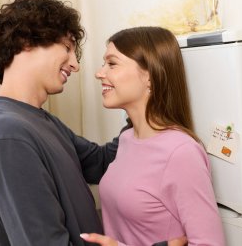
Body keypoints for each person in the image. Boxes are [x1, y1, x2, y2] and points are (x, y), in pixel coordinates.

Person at [0, 0, 118, 246]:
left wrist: (140, 110)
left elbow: (100, 163)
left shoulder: (38, 120)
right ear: (26, 41)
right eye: (67, 48)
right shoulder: (7, 136)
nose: (75, 64)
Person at [80, 27, 226, 246]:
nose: (99, 73)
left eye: (112, 64)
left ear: (149, 76)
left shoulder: (181, 152)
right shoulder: (127, 139)